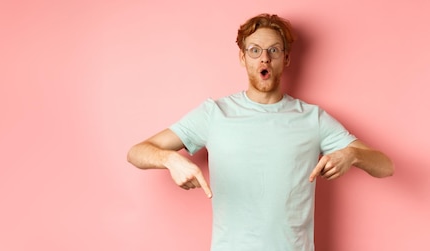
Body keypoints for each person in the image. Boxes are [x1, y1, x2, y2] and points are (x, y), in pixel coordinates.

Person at [126, 13, 394, 251]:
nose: (264, 57)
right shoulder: (214, 114)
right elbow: (137, 152)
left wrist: (351, 155)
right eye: (254, 50)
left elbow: (385, 166)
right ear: (243, 57)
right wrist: (170, 159)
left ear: (286, 58)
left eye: (274, 50)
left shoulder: (312, 118)